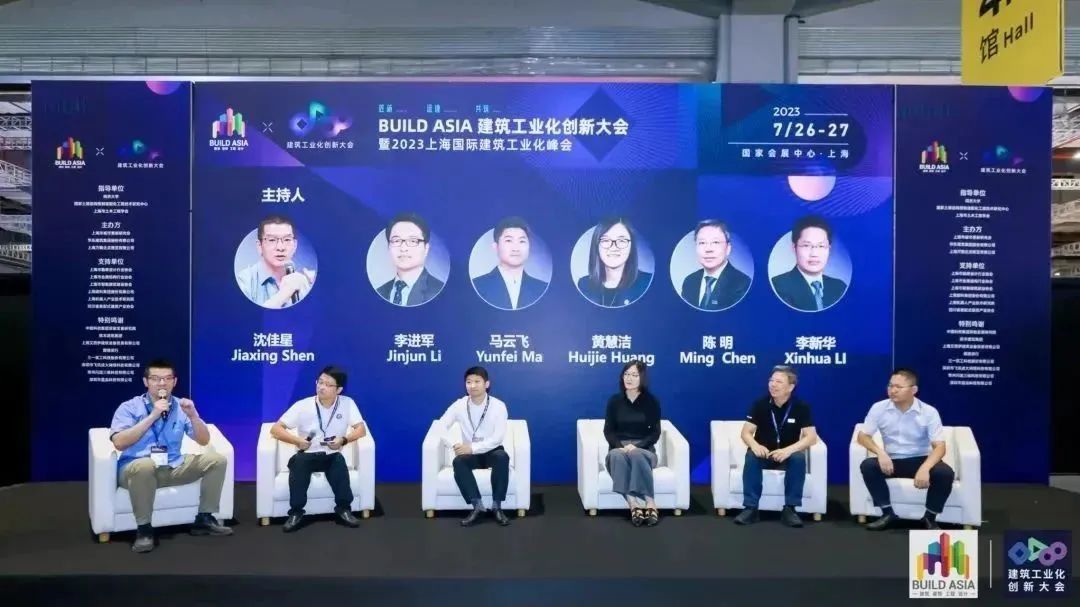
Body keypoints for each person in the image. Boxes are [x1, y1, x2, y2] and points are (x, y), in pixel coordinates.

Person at [108, 359, 232, 553]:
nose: (162, 383)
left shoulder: (181, 407)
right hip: (135, 470)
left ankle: (204, 519)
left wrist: (193, 416)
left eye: (167, 379)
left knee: (216, 460)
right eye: (156, 379)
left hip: (172, 466)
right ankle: (144, 530)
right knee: (145, 465)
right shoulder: (130, 407)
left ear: (174, 382)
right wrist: (153, 416)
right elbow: (119, 442)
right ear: (146, 382)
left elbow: (203, 440)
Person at [269, 366, 367, 532]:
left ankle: (344, 509)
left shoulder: (347, 403)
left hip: (332, 453)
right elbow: (275, 429)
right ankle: (296, 513)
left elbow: (361, 429)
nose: (322, 387)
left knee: (339, 465)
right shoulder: (303, 405)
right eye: (320, 382)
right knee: (298, 466)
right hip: (307, 454)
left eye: (328, 385)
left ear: (339, 390)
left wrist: (343, 440)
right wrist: (297, 441)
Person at [858, 368, 954, 531]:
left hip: (921, 458)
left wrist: (925, 467)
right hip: (892, 461)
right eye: (890, 386)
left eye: (898, 387)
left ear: (913, 390)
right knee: (868, 465)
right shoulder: (878, 408)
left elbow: (940, 447)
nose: (893, 390)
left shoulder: (929, 412)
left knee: (944, 473)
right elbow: (862, 436)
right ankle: (887, 514)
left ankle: (929, 518)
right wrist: (880, 453)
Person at [733, 365, 818, 527]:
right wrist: (755, 445)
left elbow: (811, 437)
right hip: (765, 453)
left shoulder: (801, 407)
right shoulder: (760, 404)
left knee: (798, 458)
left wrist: (788, 450)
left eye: (778, 382)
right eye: (771, 381)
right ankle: (751, 508)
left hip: (787, 454)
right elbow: (746, 433)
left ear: (790, 387)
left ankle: (790, 509)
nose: (773, 385)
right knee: (751, 456)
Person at [434, 367, 511, 527]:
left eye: (477, 381)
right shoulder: (459, 405)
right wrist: (454, 444)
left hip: (492, 451)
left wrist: (472, 448)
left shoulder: (498, 406)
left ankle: (497, 507)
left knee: (502, 457)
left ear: (487, 384)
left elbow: (497, 438)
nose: (472, 385)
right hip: (471, 455)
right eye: (469, 382)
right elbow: (440, 425)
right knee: (458, 462)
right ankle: (477, 506)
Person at [603, 360, 662, 527]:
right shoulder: (614, 401)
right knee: (616, 456)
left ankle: (650, 503)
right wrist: (620, 447)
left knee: (636, 454)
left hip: (644, 449)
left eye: (634, 375)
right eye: (626, 374)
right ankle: (633, 505)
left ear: (642, 378)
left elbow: (655, 433)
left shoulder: (651, 402)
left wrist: (637, 446)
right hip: (619, 448)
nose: (629, 378)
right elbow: (608, 431)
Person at [235, 215, 316, 308]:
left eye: (287, 239)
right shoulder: (244, 281)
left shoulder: (303, 282)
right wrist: (284, 294)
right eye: (272, 240)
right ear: (259, 246)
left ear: (295, 246)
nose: (280, 247)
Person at [770, 215, 848, 312]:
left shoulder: (839, 287)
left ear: (829, 249)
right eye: (806, 245)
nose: (814, 254)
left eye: (821, 246)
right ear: (794, 248)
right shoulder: (778, 286)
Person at [472, 216, 549, 310]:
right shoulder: (478, 286)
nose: (516, 248)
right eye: (509, 240)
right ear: (495, 247)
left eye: (522, 241)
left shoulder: (541, 288)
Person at [577, 217, 653, 308]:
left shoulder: (646, 283)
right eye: (606, 240)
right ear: (596, 246)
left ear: (631, 247)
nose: (613, 247)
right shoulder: (584, 285)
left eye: (621, 241)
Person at [679, 219, 751, 311]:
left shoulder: (742, 284)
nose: (708, 249)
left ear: (728, 248)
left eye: (715, 242)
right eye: (702, 243)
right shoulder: (689, 281)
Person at [376, 212, 445, 307]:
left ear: (426, 248)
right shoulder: (380, 291)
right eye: (396, 240)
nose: (403, 248)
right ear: (389, 247)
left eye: (413, 241)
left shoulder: (438, 291)